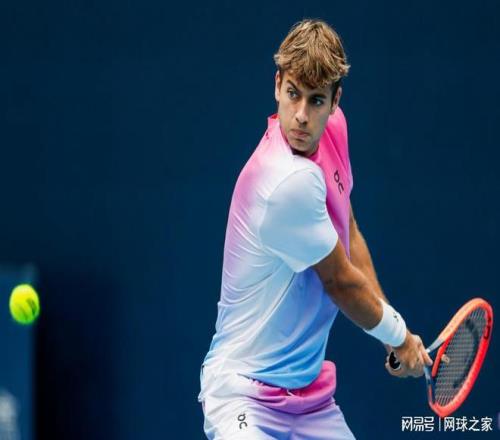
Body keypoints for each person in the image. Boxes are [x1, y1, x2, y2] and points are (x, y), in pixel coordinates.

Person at [198, 19, 432, 440]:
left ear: (335, 102)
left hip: (311, 401)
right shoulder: (285, 180)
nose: (302, 116)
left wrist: (390, 336)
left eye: (317, 100)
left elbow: (349, 232)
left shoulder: (335, 132)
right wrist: (399, 335)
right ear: (277, 85)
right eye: (293, 94)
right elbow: (340, 282)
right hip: (243, 396)